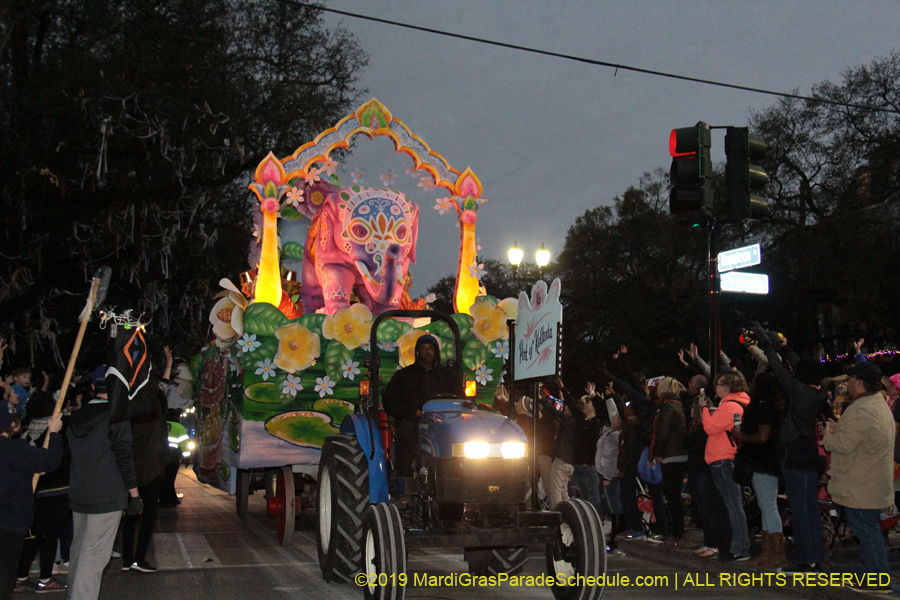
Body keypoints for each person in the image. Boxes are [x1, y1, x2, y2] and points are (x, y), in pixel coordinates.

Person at [749, 321, 828, 573]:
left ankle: (805, 559)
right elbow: (800, 367)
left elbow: (779, 370)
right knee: (810, 508)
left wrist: (769, 344)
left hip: (793, 453)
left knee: (799, 510)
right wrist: (784, 347)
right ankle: (816, 557)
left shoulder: (797, 392)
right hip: (809, 452)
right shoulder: (819, 390)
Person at [66, 366, 142, 600]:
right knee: (94, 555)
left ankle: (73, 595)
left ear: (92, 387)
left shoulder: (76, 415)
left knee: (78, 551)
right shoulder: (115, 417)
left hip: (80, 492)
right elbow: (124, 457)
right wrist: (135, 494)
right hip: (107, 494)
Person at [823, 362, 894, 594]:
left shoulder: (862, 408)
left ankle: (877, 579)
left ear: (860, 382)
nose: (847, 384)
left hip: (862, 481)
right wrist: (841, 428)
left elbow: (842, 445)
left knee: (866, 530)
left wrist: (829, 434)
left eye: (850, 379)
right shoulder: (878, 404)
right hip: (871, 477)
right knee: (868, 529)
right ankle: (874, 575)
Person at [0, 400, 63, 599]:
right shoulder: (14, 448)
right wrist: (53, 433)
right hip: (10, 522)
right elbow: (50, 460)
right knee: (4, 576)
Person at [15, 392, 72, 593]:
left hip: (35, 491)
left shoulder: (28, 431)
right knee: (50, 536)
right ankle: (45, 578)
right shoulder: (57, 430)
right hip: (57, 490)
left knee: (35, 536)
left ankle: (21, 576)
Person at [382, 334, 462, 476]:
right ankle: (405, 478)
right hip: (414, 421)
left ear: (436, 351)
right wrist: (412, 412)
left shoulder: (448, 376)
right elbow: (390, 402)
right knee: (406, 432)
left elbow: (461, 399)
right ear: (417, 352)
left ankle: (456, 476)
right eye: (424, 348)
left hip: (443, 422)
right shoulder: (403, 376)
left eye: (430, 348)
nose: (427, 351)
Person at [732, 373, 786, 569]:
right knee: (765, 506)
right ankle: (768, 551)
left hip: (762, 460)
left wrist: (743, 437)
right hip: (762, 460)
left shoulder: (764, 408)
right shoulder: (766, 406)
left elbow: (763, 436)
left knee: (768, 506)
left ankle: (776, 553)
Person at [702, 371, 750, 561]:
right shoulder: (741, 403)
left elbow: (710, 428)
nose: (716, 388)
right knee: (733, 504)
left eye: (719, 384)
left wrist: (704, 410)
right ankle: (738, 545)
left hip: (721, 457)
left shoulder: (728, 406)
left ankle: (739, 547)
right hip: (731, 456)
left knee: (733, 504)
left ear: (727, 387)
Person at [650, 377, 688, 546]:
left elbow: (663, 433)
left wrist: (657, 453)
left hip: (671, 455)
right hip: (680, 453)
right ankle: (677, 531)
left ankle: (677, 533)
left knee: (672, 496)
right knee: (675, 495)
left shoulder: (667, 407)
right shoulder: (679, 404)